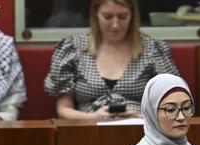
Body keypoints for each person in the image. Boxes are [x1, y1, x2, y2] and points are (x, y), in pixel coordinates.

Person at [44, 0, 180, 120]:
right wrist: (93, 117)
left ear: (132, 16)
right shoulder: (73, 48)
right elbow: (63, 110)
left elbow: (174, 102)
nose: (115, 25)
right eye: (107, 17)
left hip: (141, 131)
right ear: (95, 14)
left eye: (122, 17)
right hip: (87, 131)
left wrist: (142, 117)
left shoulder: (152, 49)